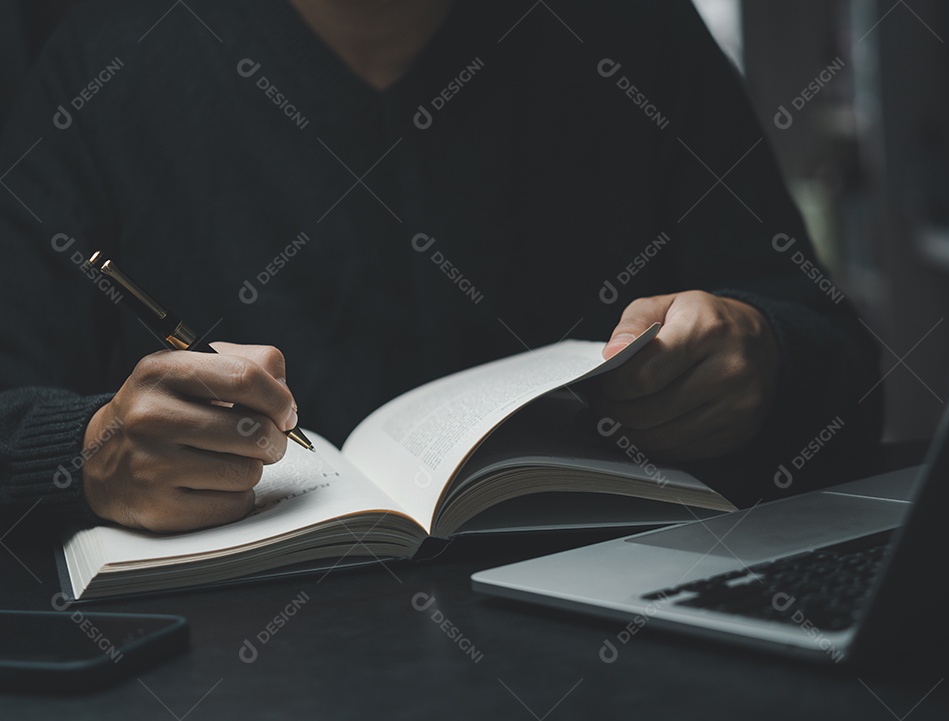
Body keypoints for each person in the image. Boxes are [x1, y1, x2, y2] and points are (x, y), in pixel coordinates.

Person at [0, 0, 881, 536]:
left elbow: (851, 372)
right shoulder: (104, 63)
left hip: (629, 616)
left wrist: (766, 362)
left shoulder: (634, 31)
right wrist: (90, 450)